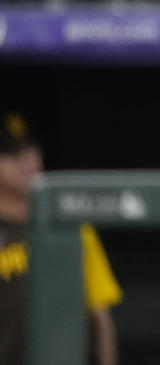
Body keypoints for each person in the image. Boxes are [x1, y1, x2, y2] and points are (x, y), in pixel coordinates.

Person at [0, 113, 123, 365]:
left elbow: (99, 314)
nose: (26, 162)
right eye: (13, 155)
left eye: (31, 151)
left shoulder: (69, 223)